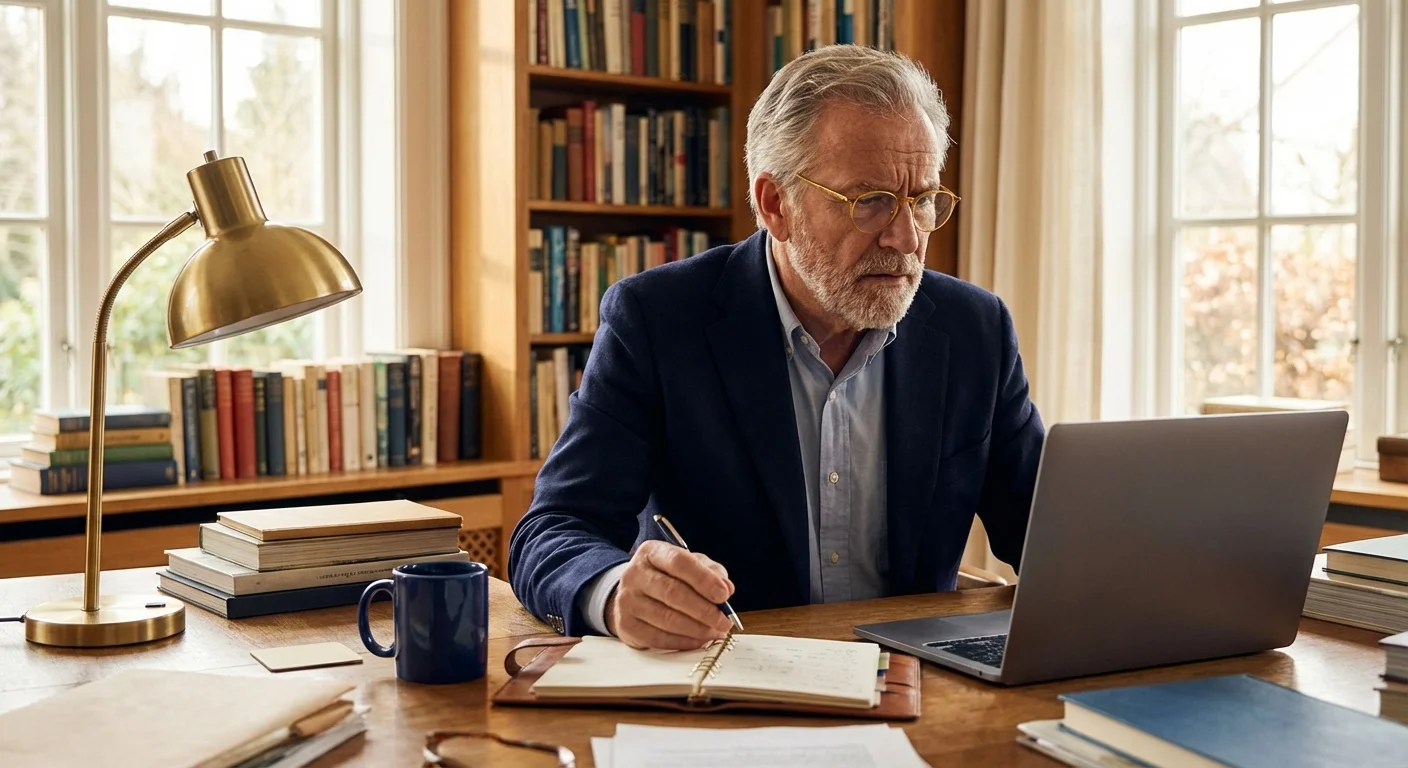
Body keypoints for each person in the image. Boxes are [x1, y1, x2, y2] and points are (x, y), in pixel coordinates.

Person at [508, 45, 1045, 651]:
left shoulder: (975, 330)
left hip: (918, 687)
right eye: (869, 201)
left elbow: (1050, 535)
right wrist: (610, 592)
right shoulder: (658, 322)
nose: (906, 237)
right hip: (733, 686)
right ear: (774, 204)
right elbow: (552, 530)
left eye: (920, 198)